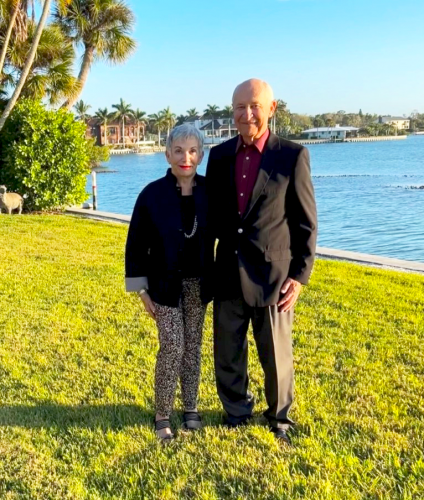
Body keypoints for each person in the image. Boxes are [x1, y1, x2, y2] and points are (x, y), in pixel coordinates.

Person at [206, 78, 317, 444]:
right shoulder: (219, 156)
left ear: (271, 109)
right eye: (239, 107)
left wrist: (299, 277)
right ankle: (236, 411)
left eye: (254, 106)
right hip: (227, 273)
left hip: (274, 275)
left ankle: (279, 417)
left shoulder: (292, 156)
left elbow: (305, 223)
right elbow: (211, 218)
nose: (246, 113)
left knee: (276, 355)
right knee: (227, 350)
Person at [125, 124, 213, 441]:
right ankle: (162, 413)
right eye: (178, 150)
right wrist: (140, 290)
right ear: (167, 154)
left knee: (193, 348)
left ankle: (190, 407)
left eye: (192, 151)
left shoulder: (209, 191)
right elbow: (135, 245)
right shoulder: (152, 195)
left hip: (198, 285)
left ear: (201, 155)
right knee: (172, 347)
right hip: (162, 286)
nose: (185, 157)